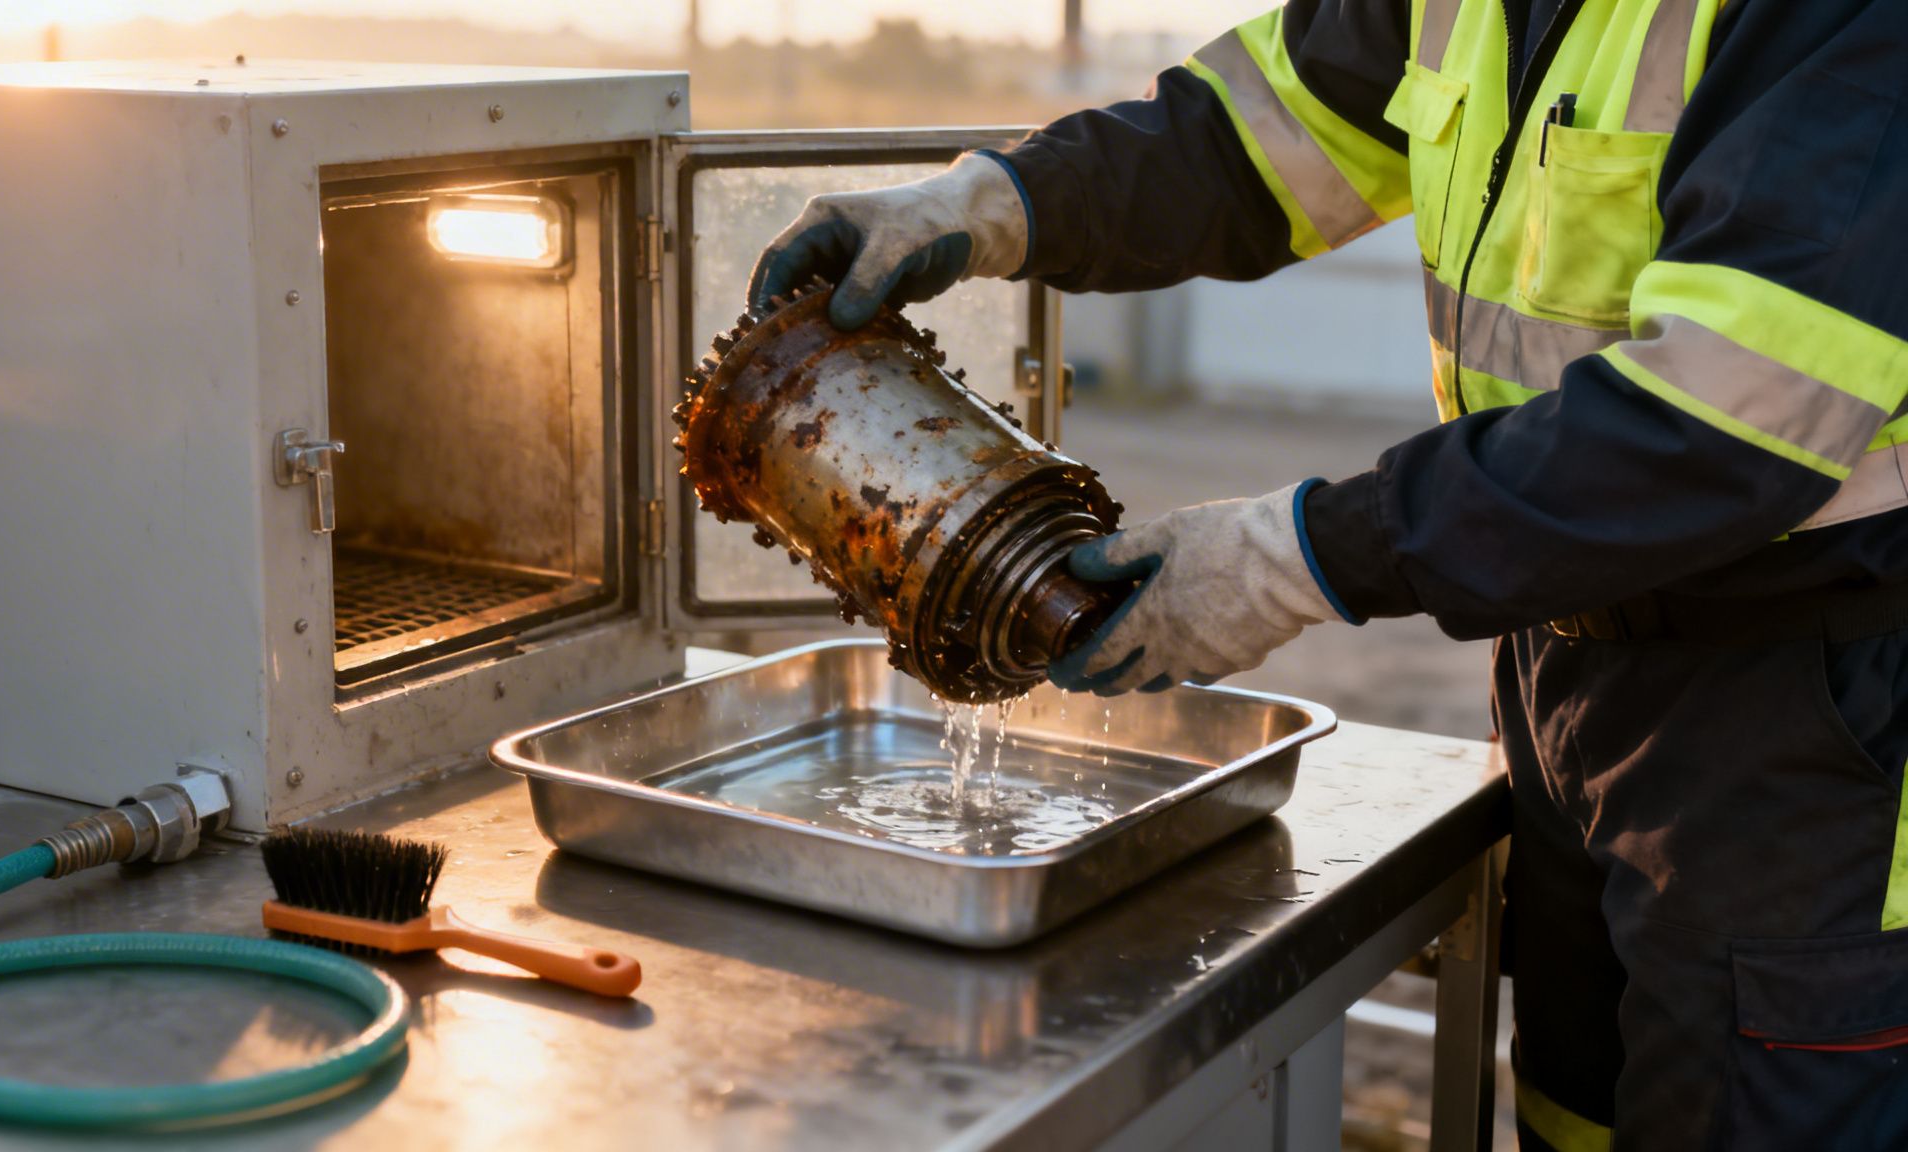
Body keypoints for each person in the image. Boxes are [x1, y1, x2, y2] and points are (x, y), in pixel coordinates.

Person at [749, 0, 1908, 1147]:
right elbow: (1246, 140)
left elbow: (1720, 425)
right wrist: (996, 202)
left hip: (1797, 717)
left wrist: (1299, 553)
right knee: (1574, 1107)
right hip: (1562, 659)